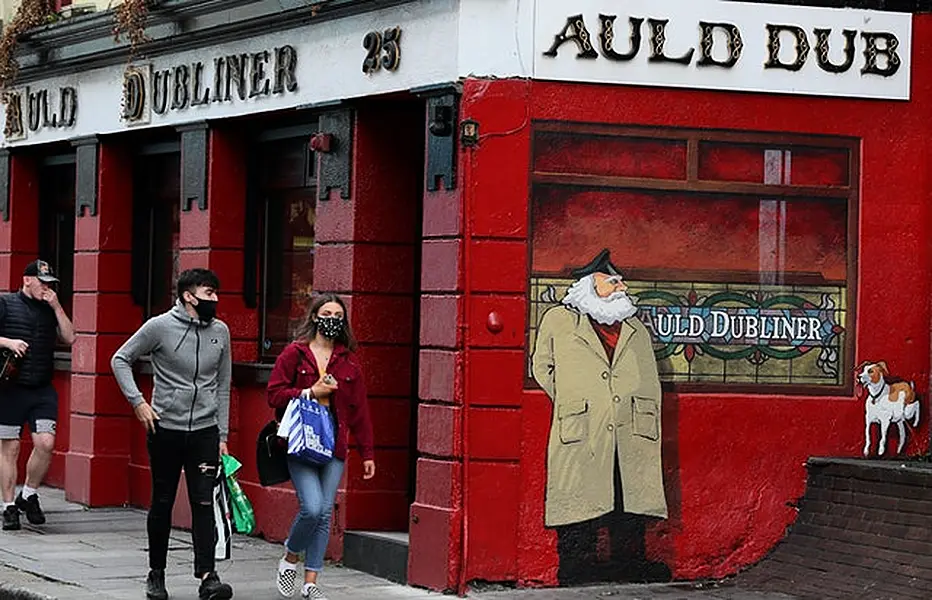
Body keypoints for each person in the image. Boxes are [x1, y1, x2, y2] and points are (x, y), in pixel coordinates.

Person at [531, 249, 670, 585]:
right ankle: (576, 565)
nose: (620, 286)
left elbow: (646, 373)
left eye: (619, 280)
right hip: (582, 425)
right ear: (588, 285)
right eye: (611, 280)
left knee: (629, 496)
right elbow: (541, 367)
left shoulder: (634, 326)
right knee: (579, 496)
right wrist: (575, 399)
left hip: (630, 425)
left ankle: (629, 562)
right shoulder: (559, 320)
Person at [111, 268, 234, 600]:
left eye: (216, 293)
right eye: (209, 293)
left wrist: (222, 434)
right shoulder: (159, 326)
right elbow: (120, 359)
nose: (216, 300)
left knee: (204, 502)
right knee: (162, 502)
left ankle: (208, 577)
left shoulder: (220, 332)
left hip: (205, 432)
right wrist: (138, 403)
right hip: (165, 428)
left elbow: (223, 387)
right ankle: (156, 574)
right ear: (188, 296)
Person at [267, 294, 375, 600]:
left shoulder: (349, 362)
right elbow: (273, 395)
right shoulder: (295, 354)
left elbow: (360, 410)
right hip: (300, 442)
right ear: (314, 317)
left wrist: (367, 453)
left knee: (325, 512)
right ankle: (290, 557)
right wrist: (309, 392)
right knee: (312, 508)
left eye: (338, 315)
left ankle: (311, 582)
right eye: (326, 313)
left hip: (334, 444)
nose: (332, 319)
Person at [0, 260, 75, 531]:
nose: (47, 287)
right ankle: (8, 507)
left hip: (42, 387)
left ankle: (28, 495)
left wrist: (56, 306)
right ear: (26, 279)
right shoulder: (6, 303)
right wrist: (8, 341)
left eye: (50, 283)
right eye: (42, 282)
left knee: (45, 442)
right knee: (10, 448)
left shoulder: (49, 309)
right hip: (9, 388)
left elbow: (70, 337)